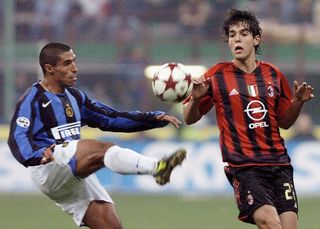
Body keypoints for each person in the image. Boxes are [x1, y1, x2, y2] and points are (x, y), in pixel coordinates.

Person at [7, 42, 187, 229]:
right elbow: (17, 136)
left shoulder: (76, 97)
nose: (75, 69)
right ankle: (157, 168)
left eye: (74, 62)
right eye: (67, 63)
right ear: (50, 69)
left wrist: (153, 119)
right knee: (102, 149)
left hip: (73, 173)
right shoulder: (33, 98)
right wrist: (36, 155)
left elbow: (111, 118)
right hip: (49, 166)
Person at [183, 9, 314, 229]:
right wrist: (196, 100)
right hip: (244, 167)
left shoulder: (273, 74)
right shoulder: (215, 76)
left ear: (256, 39)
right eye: (232, 35)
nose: (237, 39)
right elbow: (189, 118)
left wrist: (297, 103)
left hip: (279, 164)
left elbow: (285, 122)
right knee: (270, 222)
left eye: (243, 34)